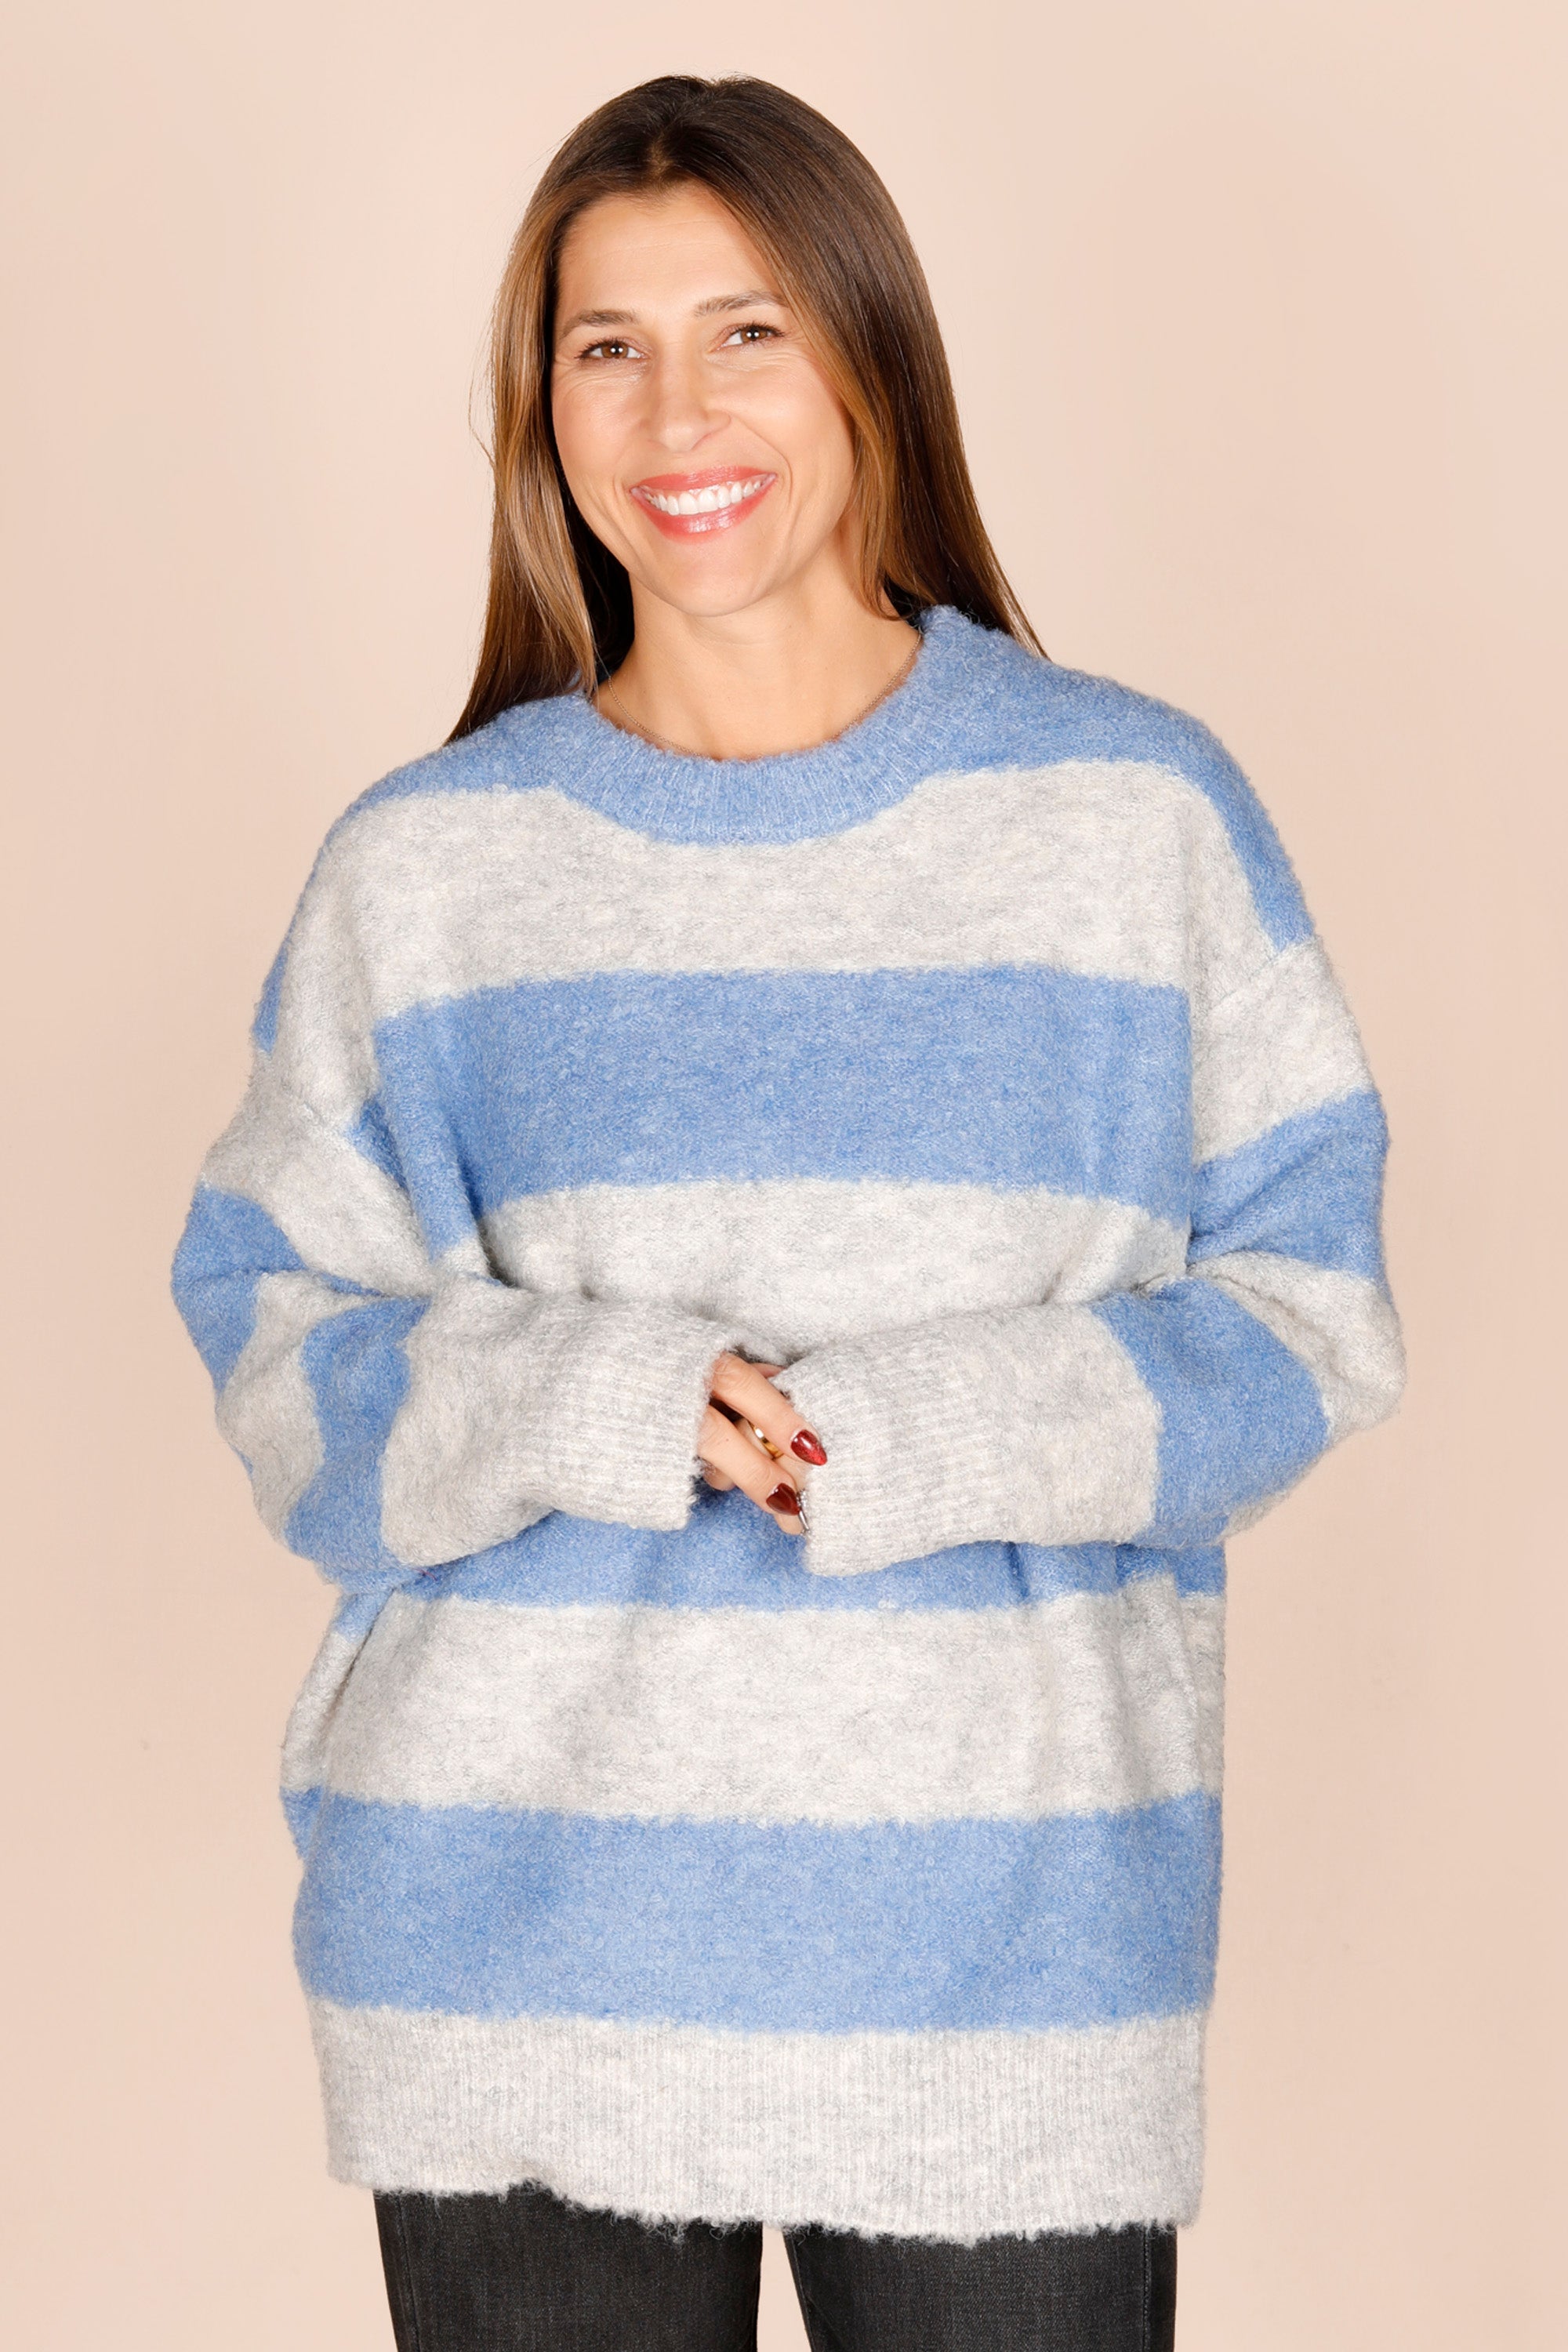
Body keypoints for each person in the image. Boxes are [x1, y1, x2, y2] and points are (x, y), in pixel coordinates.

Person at [172, 72, 1404, 2352]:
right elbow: (278, 1349)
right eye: (606, 347)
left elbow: (1311, 1314)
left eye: (746, 330)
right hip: (513, 1963)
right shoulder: (429, 871)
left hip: (1010, 1973)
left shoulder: (1131, 815)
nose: (677, 415)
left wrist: (916, 1437)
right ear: (542, 409)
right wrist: (609, 1401)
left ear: (869, 355)